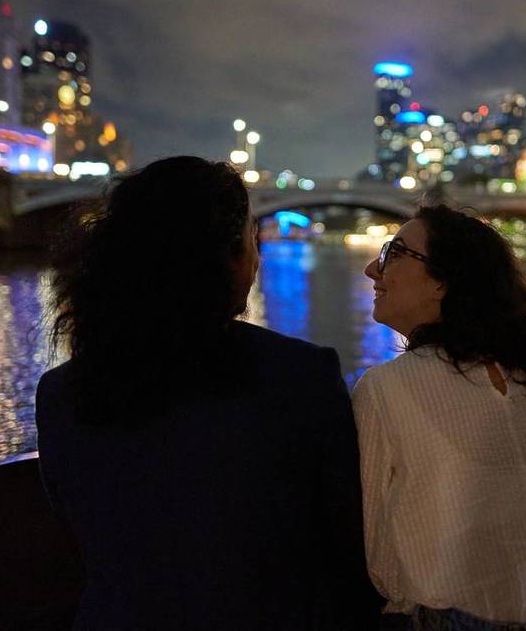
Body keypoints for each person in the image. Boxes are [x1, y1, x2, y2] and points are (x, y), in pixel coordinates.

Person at [35, 156, 381, 630]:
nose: (257, 258)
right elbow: (347, 541)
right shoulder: (300, 376)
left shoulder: (60, 392)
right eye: (250, 241)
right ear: (227, 257)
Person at [353, 204, 526, 631]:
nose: (371, 269)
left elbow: (381, 550)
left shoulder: (386, 388)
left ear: (442, 281)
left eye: (393, 253)